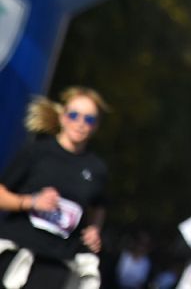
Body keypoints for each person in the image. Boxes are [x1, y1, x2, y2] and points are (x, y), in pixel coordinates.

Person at [0, 86, 110, 288]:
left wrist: (94, 229)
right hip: (17, 255)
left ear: (96, 126)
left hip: (57, 265)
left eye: (89, 119)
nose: (80, 123)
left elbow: (99, 206)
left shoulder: (96, 169)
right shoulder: (37, 152)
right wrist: (31, 202)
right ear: (63, 117)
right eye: (74, 115)